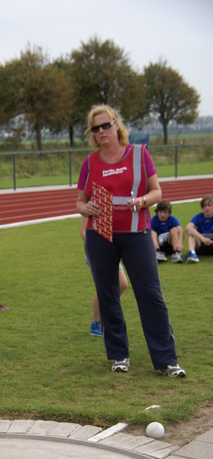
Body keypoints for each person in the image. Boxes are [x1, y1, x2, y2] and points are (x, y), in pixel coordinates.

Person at [76, 104, 186, 377]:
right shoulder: (89, 162)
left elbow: (157, 191)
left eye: (106, 125)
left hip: (137, 234)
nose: (101, 131)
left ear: (116, 125)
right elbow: (80, 201)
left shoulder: (139, 154)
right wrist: (85, 209)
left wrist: (143, 201)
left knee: (151, 295)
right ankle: (119, 356)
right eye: (95, 128)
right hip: (100, 236)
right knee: (108, 296)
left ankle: (166, 361)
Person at [80, 215, 128, 337]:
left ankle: (105, 314)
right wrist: (97, 245)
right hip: (98, 251)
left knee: (122, 284)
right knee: (104, 287)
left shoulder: (114, 203)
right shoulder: (92, 204)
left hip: (112, 250)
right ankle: (96, 324)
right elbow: (83, 232)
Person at [185, 194, 213, 263]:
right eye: (204, 206)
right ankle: (192, 254)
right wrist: (202, 238)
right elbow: (188, 228)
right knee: (191, 234)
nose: (207, 208)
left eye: (209, 205)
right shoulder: (199, 217)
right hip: (200, 244)